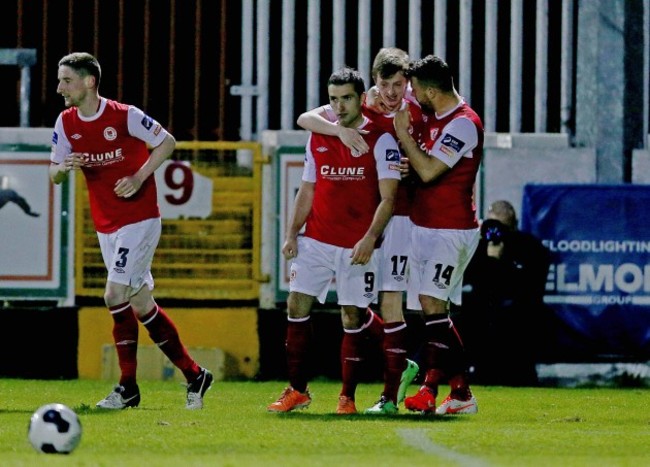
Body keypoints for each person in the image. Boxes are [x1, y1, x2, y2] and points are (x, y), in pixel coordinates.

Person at [49, 52, 213, 410]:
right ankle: (195, 375)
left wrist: (139, 176)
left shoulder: (125, 115)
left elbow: (167, 142)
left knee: (114, 293)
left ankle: (128, 388)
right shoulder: (65, 123)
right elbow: (54, 176)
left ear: (88, 82)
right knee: (139, 302)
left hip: (139, 220)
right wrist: (64, 166)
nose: (60, 87)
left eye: (66, 80)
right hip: (106, 225)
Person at [296, 48, 423, 415]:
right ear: (373, 83)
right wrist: (338, 130)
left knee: (390, 300)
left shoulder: (413, 112)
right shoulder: (358, 103)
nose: (392, 92)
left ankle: (388, 395)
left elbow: (427, 159)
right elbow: (306, 118)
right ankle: (398, 370)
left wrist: (410, 165)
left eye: (399, 84)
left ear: (408, 84)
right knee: (357, 308)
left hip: (397, 216)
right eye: (385, 84)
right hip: (363, 218)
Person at [267, 66, 401, 414]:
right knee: (296, 308)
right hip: (316, 241)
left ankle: (348, 398)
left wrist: (371, 238)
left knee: (351, 316)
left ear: (361, 98)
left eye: (346, 99)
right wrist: (291, 233)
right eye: (333, 99)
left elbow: (389, 198)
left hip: (357, 245)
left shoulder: (381, 138)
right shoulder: (321, 135)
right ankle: (298, 390)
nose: (339, 106)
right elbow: (308, 188)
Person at [393, 54, 483, 415]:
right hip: (423, 225)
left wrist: (405, 141)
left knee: (433, 305)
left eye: (416, 89)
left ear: (432, 90)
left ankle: (444, 389)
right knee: (432, 313)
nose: (412, 95)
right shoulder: (433, 110)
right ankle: (448, 391)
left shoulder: (463, 124)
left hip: (451, 230)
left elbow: (430, 170)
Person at [458, 200, 552, 386]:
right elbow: (466, 280)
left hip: (518, 323)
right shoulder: (476, 248)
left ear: (514, 225)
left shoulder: (531, 248)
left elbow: (530, 289)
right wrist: (489, 259)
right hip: (483, 322)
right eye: (491, 226)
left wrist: (500, 263)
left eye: (502, 227)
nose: (496, 232)